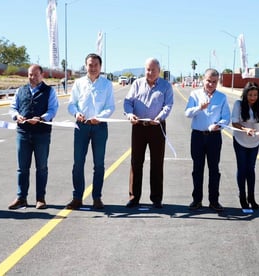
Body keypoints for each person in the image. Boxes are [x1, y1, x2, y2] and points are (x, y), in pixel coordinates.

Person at [66, 53, 115, 210]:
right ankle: (77, 197)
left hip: (99, 127)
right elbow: (71, 104)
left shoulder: (107, 85)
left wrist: (99, 117)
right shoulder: (79, 83)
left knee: (99, 164)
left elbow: (110, 106)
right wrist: (76, 113)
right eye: (90, 65)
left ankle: (97, 198)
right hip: (81, 126)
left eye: (95, 65)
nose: (93, 68)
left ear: (100, 67)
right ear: (85, 66)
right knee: (78, 163)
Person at [123, 57, 174, 209]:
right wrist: (129, 114)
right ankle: (134, 197)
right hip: (138, 126)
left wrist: (160, 117)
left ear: (159, 71)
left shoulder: (166, 86)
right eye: (147, 69)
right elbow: (127, 102)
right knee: (136, 162)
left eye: (153, 70)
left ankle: (156, 198)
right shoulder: (137, 84)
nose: (150, 72)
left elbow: (168, 105)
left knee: (157, 163)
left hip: (157, 127)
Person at [8, 64, 59, 210]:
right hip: (23, 133)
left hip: (41, 134)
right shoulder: (20, 90)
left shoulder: (49, 91)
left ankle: (40, 198)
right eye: (30, 74)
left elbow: (53, 109)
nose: (32, 77)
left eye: (35, 74)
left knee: (41, 168)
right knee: (22, 168)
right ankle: (21, 197)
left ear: (42, 75)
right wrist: (16, 116)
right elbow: (13, 107)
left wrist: (41, 118)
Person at [185, 68, 231, 212]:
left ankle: (214, 201)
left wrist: (219, 125)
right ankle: (197, 200)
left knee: (214, 170)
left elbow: (226, 118)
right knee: (197, 169)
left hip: (214, 137)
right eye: (208, 81)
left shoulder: (222, 97)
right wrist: (199, 107)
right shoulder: (194, 94)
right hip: (198, 136)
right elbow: (187, 113)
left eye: (214, 82)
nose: (211, 84)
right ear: (203, 80)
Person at [231, 82, 259, 210]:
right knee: (242, 168)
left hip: (254, 141)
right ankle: (242, 196)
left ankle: (251, 197)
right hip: (240, 140)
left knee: (251, 169)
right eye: (250, 95)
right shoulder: (238, 104)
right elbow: (234, 122)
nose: (253, 97)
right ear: (245, 94)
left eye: (255, 95)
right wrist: (245, 129)